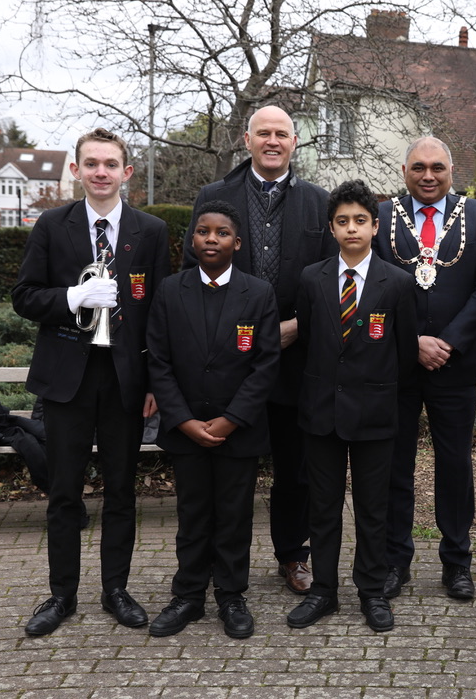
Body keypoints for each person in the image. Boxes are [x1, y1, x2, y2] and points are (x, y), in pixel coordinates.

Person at [12, 127, 171, 636]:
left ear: (127, 172)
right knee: (64, 492)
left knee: (121, 490)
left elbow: (161, 313)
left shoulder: (150, 230)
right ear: (77, 170)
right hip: (68, 380)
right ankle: (62, 595)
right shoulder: (51, 225)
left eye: (111, 164)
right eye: (92, 163)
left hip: (126, 379)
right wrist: (72, 298)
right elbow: (24, 296)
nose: (101, 172)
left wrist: (156, 383)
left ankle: (115, 590)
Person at [186, 105, 336, 595]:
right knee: (229, 468)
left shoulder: (318, 202)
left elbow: (332, 281)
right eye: (263, 133)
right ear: (246, 140)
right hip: (228, 359)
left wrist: (296, 327)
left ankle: (294, 554)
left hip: (296, 355)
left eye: (282, 134)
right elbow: (193, 273)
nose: (273, 141)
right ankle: (218, 561)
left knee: (295, 468)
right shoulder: (214, 198)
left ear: (295, 142)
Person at [374, 136, 476, 601]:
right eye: (418, 167)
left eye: (437, 168)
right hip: (399, 365)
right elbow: (375, 286)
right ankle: (394, 561)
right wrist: (412, 343)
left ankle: (457, 563)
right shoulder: (382, 216)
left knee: (455, 466)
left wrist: (447, 342)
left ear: (451, 171)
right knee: (395, 466)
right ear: (404, 171)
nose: (428, 176)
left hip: (456, 363)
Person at [287, 180, 418, 633]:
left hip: (375, 415)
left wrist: (378, 393)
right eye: (342, 221)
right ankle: (323, 590)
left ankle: (372, 591)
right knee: (323, 508)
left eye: (360, 220)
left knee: (372, 508)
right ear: (331, 228)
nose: (351, 229)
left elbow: (405, 355)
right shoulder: (312, 278)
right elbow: (307, 342)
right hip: (321, 412)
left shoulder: (397, 283)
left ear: (375, 226)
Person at [146, 200, 281, 639]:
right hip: (186, 429)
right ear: (192, 240)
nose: (211, 239)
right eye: (203, 231)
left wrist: (231, 419)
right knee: (192, 514)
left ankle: (231, 594)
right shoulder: (170, 290)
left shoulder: (258, 293)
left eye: (222, 233)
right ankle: (188, 595)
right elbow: (159, 362)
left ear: (236, 243)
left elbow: (265, 365)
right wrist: (183, 420)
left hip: (237, 432)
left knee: (234, 516)